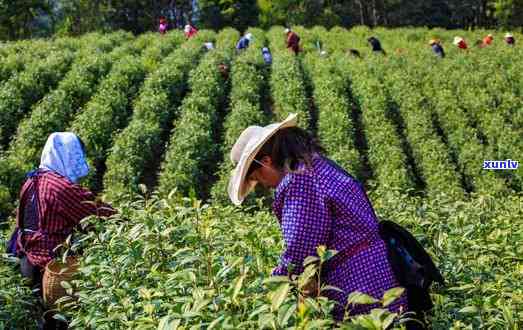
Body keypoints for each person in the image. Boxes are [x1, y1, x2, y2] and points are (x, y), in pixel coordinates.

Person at [227, 114, 408, 321]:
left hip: (358, 285)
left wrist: (269, 290)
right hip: (381, 275)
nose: (263, 185)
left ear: (266, 162)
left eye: (256, 177)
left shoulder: (299, 180)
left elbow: (301, 248)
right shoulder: (317, 165)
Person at [8, 132, 114, 290]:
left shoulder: (33, 179)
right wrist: (127, 221)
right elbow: (97, 212)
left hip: (27, 259)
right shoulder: (59, 187)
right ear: (68, 155)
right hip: (50, 266)